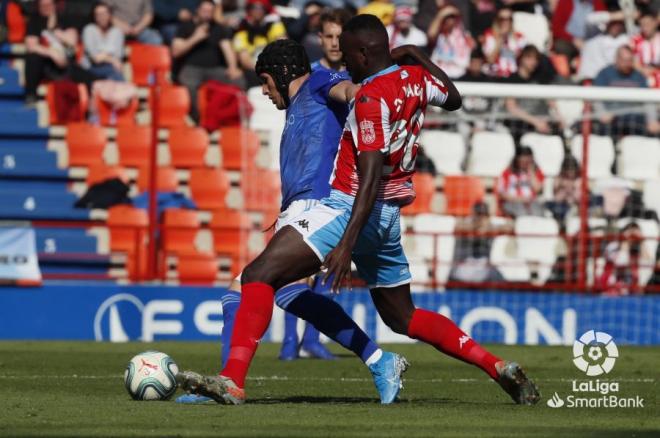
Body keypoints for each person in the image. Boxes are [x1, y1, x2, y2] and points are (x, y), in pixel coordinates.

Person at [177, 15, 540, 407]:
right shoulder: (415, 80)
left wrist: (347, 242)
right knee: (404, 318)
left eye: (348, 55)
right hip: (387, 218)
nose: (342, 62)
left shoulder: (366, 98)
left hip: (349, 208)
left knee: (258, 276)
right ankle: (494, 365)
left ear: (364, 54)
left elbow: (366, 168)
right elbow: (454, 99)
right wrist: (416, 56)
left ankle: (232, 381)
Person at [176, 39, 407, 406]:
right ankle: (380, 360)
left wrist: (363, 91)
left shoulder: (316, 81)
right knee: (286, 293)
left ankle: (228, 382)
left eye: (266, 82)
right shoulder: (298, 101)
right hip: (297, 209)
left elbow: (347, 90)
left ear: (281, 75)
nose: (265, 92)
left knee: (243, 286)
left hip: (317, 206)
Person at [172, 0, 244, 122]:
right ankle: (197, 118)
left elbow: (227, 48)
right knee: (189, 84)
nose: (207, 14)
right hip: (191, 68)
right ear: (198, 10)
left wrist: (232, 67)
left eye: (210, 12)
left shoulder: (218, 28)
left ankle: (222, 117)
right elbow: (176, 52)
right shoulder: (186, 26)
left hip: (214, 69)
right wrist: (196, 37)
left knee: (239, 81)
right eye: (205, 11)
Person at [592, 45, 660, 137]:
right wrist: (602, 113)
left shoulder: (639, 76)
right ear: (617, 59)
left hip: (635, 117)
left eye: (630, 60)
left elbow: (648, 100)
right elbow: (596, 97)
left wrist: (652, 120)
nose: (627, 64)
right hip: (611, 116)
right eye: (624, 60)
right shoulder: (604, 74)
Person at [504, 44, 563, 141]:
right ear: (521, 59)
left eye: (536, 59)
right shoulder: (512, 80)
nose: (533, 62)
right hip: (518, 126)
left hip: (539, 123)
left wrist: (558, 116)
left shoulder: (539, 80)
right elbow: (512, 108)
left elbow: (550, 101)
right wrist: (535, 121)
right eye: (529, 58)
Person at [24, 0, 78, 104]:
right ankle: (31, 95)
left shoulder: (65, 18)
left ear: (55, 5)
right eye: (42, 5)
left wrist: (55, 31)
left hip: (66, 63)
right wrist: (51, 53)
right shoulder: (35, 20)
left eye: (48, 4)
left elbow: (72, 42)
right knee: (32, 58)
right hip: (45, 65)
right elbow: (31, 45)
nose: (45, 7)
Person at [449, 202, 508, 283]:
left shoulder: (490, 227)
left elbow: (509, 226)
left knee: (499, 277)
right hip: (463, 267)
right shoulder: (465, 224)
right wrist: (477, 227)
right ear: (473, 214)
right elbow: (458, 227)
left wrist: (487, 228)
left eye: (484, 215)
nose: (481, 217)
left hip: (483, 267)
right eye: (478, 214)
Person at [233, 0, 287, 87]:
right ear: (249, 10)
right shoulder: (241, 34)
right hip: (254, 72)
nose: (258, 11)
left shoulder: (275, 26)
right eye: (254, 7)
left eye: (261, 8)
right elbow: (245, 62)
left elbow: (284, 49)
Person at [598, 222, 652, 295]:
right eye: (631, 232)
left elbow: (648, 265)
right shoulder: (613, 246)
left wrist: (641, 241)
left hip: (632, 290)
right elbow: (621, 264)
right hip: (611, 286)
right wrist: (626, 242)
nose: (633, 236)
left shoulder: (638, 251)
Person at [81, 2, 125, 81]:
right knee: (114, 72)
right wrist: (111, 58)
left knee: (114, 71)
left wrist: (103, 56)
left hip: (111, 67)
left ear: (110, 15)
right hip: (91, 69)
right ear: (94, 17)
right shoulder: (89, 30)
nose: (102, 17)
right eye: (99, 14)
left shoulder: (117, 32)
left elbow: (118, 56)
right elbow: (95, 58)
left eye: (104, 13)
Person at [497, 146, 545, 217]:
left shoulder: (536, 172)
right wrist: (519, 199)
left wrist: (531, 172)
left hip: (531, 203)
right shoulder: (507, 173)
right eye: (523, 160)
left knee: (538, 213)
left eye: (528, 161)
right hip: (512, 202)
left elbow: (537, 189)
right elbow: (501, 194)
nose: (525, 163)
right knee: (522, 213)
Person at [427, 4, 473, 78]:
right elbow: (431, 36)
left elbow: (473, 49)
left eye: (451, 17)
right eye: (446, 17)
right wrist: (441, 14)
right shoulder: (438, 34)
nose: (448, 20)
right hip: (438, 76)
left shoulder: (464, 35)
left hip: (460, 76)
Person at [482, 7, 527, 78]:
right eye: (502, 19)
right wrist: (501, 39)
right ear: (497, 20)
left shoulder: (520, 37)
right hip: (494, 75)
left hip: (513, 76)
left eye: (509, 19)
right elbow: (490, 60)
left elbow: (522, 59)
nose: (505, 22)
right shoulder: (489, 35)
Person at [545, 155, 581, 224]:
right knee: (561, 195)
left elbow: (579, 198)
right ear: (564, 169)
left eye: (573, 169)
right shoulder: (559, 179)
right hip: (561, 208)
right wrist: (563, 186)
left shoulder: (578, 181)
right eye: (568, 169)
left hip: (575, 207)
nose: (571, 171)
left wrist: (572, 189)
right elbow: (556, 196)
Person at [630, 12, 660, 88]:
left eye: (648, 24)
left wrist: (654, 69)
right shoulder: (635, 40)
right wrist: (643, 70)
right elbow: (634, 61)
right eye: (642, 25)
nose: (645, 28)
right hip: (642, 77)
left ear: (656, 23)